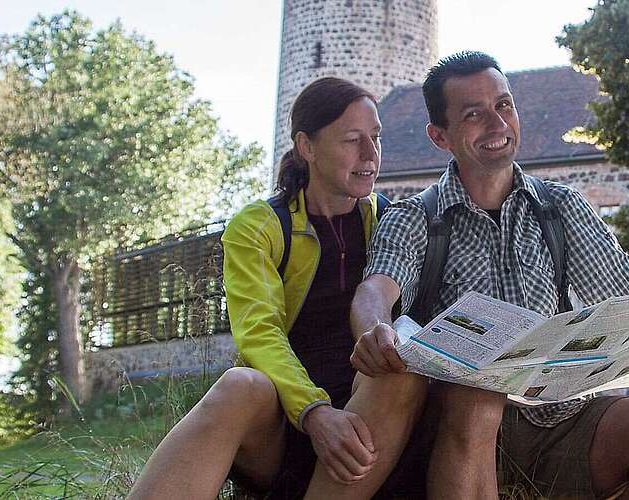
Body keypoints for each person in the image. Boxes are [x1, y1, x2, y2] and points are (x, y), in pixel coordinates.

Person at [348, 52, 629, 499]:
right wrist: (375, 329)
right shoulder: (415, 219)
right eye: (474, 114)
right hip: (455, 427)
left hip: (558, 418)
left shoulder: (560, 208)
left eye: (504, 105)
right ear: (440, 136)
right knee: (476, 399)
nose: (496, 123)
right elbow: (375, 289)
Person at [131, 77, 427, 500]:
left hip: (371, 430)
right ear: (306, 146)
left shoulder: (388, 220)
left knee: (399, 373)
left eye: (376, 138)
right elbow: (259, 331)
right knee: (239, 384)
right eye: (352, 140)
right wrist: (314, 412)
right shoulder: (260, 226)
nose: (370, 154)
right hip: (286, 426)